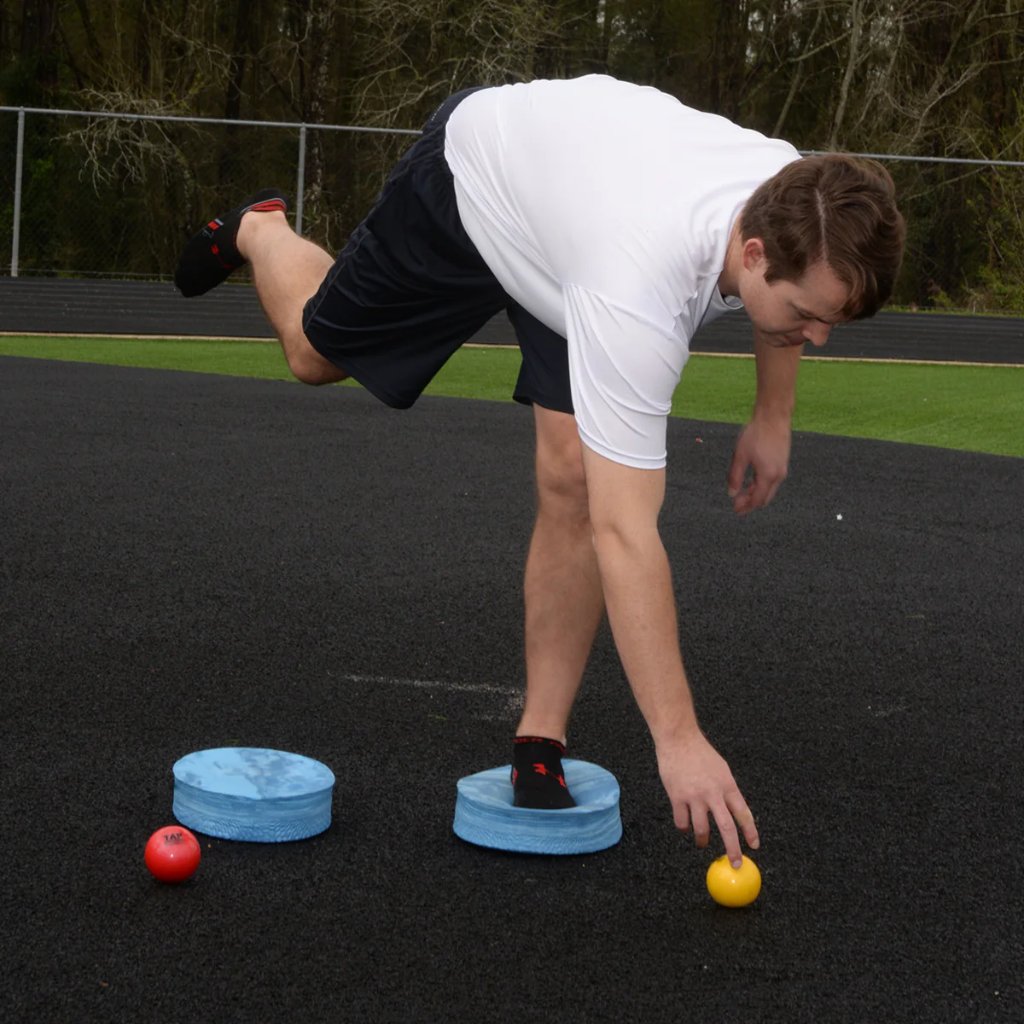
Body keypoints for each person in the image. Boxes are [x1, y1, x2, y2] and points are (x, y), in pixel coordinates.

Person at [175, 74, 905, 867]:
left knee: (574, 477)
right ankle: (260, 228)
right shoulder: (638, 292)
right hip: (478, 185)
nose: (817, 337)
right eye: (807, 317)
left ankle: (540, 739)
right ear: (753, 252)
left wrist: (773, 414)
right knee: (313, 354)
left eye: (830, 320)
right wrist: (678, 739)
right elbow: (627, 535)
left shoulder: (800, 190)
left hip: (580, 227)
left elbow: (790, 301)